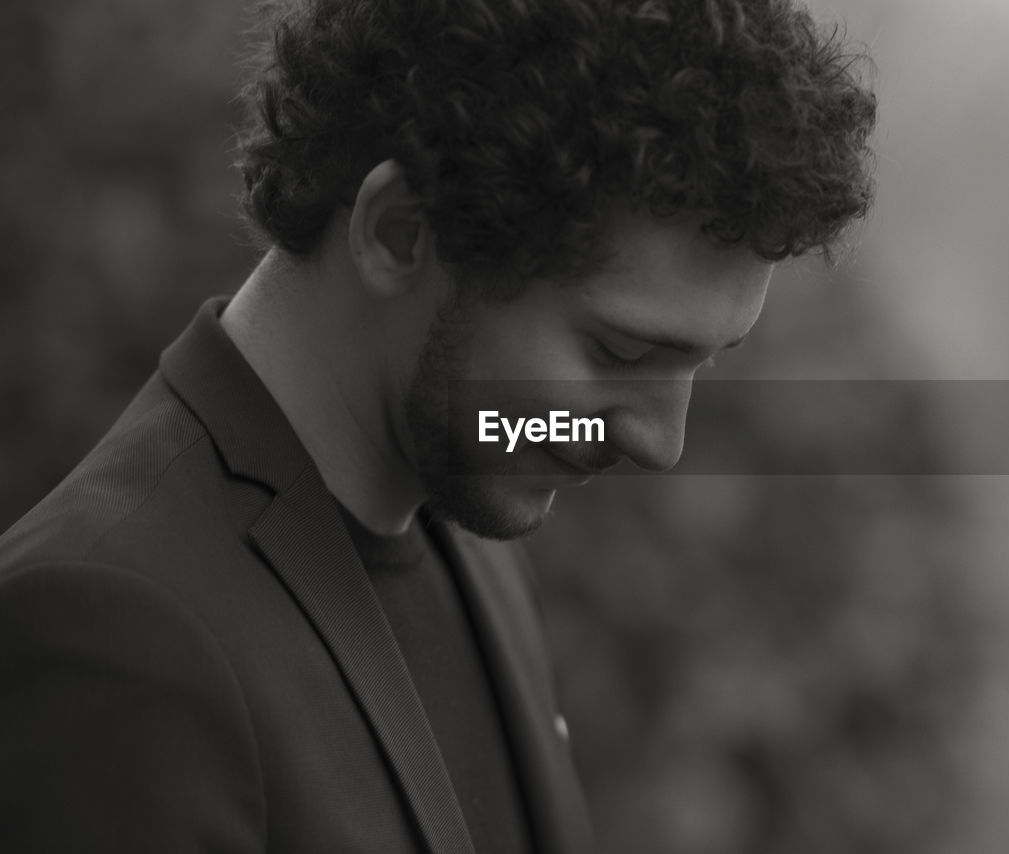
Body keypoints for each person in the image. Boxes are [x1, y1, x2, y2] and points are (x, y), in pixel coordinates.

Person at [0, 0, 875, 851]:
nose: (662, 442)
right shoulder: (114, 640)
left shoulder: (473, 539)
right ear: (399, 230)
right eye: (618, 351)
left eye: (706, 359)